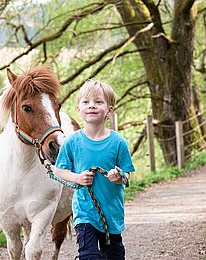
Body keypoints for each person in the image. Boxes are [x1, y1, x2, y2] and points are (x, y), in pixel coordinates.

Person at [54, 79, 135, 260]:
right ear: (79, 109)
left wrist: (119, 175)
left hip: (111, 213)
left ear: (109, 110)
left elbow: (127, 174)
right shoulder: (72, 142)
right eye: (86, 102)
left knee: (114, 256)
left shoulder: (118, 142)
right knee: (89, 256)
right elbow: (59, 170)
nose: (91, 106)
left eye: (98, 102)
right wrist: (77, 178)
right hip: (85, 213)